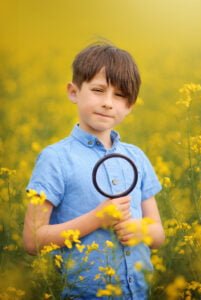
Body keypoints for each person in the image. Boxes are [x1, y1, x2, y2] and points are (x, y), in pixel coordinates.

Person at [23, 43, 165, 300]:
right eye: (98, 90)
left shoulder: (137, 157)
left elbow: (158, 234)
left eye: (120, 95)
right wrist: (97, 219)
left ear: (130, 105)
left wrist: (139, 229)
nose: (108, 103)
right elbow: (32, 241)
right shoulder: (55, 159)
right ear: (74, 92)